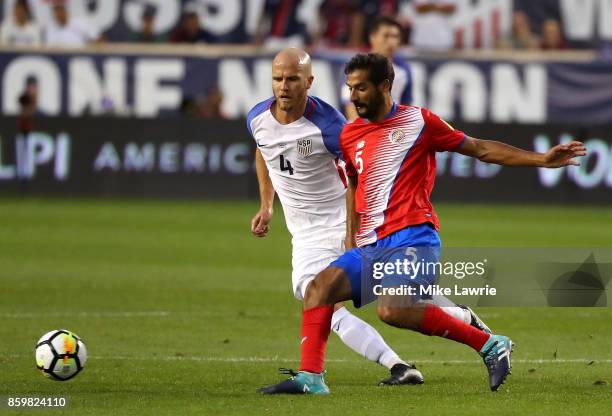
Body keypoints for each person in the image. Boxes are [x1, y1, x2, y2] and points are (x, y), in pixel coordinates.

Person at [258, 53, 586, 395]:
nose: (353, 97)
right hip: (372, 244)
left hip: (414, 238)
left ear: (384, 86)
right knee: (319, 289)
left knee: (393, 310)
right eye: (350, 88)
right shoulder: (351, 134)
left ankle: (490, 344)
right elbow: (354, 184)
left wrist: (541, 159)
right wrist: (352, 236)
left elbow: (479, 149)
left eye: (361, 88)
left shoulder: (419, 122)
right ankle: (311, 378)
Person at [248, 48, 490, 388]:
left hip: (334, 223)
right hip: (300, 231)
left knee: (323, 300)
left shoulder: (330, 126)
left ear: (309, 82)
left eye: (291, 79)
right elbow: (265, 150)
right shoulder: (258, 117)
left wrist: (355, 228)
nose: (283, 86)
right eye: (277, 79)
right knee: (383, 296)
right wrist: (266, 204)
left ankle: (384, 367)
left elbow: (357, 172)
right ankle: (457, 320)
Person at [342, 16, 411, 122]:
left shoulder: (404, 68)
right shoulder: (358, 65)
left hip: (392, 128)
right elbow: (350, 105)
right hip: (361, 126)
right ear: (373, 37)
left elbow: (406, 104)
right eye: (386, 36)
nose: (391, 42)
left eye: (395, 37)